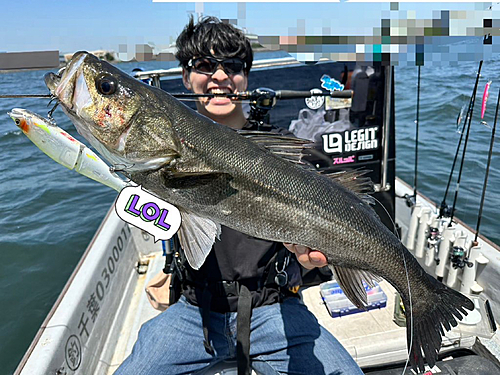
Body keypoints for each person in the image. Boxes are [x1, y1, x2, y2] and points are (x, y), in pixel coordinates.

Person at [115, 16, 363, 375]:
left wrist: (309, 261)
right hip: (193, 308)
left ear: (245, 77)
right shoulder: (155, 154)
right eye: (203, 65)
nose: (219, 76)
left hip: (274, 307)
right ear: (186, 77)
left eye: (232, 66)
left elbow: (326, 214)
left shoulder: (282, 150)